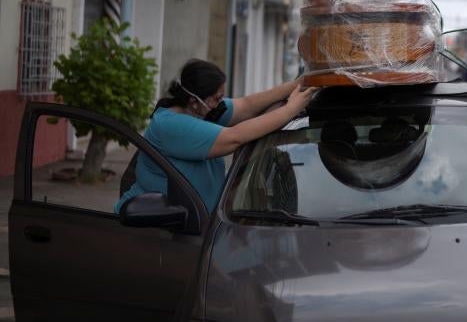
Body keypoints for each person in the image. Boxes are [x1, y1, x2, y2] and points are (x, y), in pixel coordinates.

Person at [115, 59, 317, 214]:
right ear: (195, 101)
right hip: (157, 227)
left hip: (196, 224)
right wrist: (291, 109)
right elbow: (235, 137)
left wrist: (298, 84)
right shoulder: (170, 125)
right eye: (217, 98)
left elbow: (246, 105)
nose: (221, 103)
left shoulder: (202, 111)